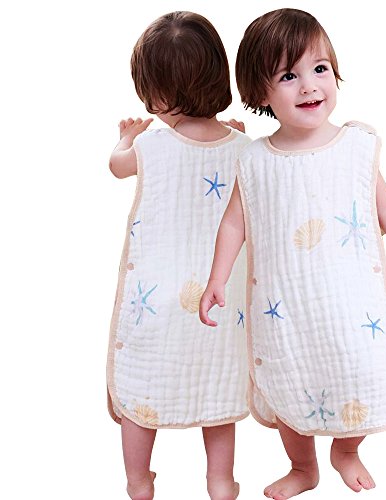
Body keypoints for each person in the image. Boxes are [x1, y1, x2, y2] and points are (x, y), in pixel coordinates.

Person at [199, 8, 386, 500]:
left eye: (320, 68)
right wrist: (216, 278)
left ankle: (347, 450)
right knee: (289, 383)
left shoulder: (355, 146)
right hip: (285, 312)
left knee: (360, 374)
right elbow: (234, 223)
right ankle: (303, 466)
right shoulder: (256, 160)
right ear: (261, 93)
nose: (310, 86)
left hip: (350, 308)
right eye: (288, 76)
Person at [107, 11, 250, 500]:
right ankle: (220, 482)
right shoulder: (244, 148)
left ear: (156, 93)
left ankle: (138, 481)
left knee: (140, 387)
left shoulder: (151, 144)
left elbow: (116, 166)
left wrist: (126, 137)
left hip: (156, 300)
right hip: (218, 302)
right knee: (219, 391)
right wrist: (233, 133)